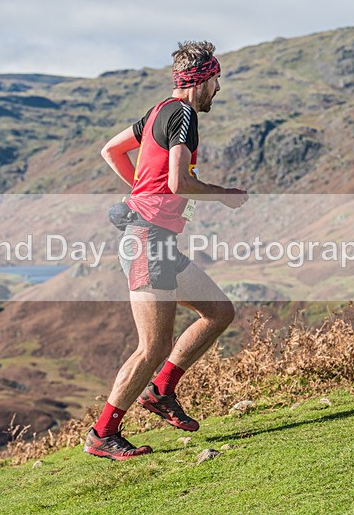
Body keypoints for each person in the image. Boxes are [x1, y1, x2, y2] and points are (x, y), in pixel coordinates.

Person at [84, 40, 248, 460]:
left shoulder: (159, 110)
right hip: (146, 242)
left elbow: (111, 150)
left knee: (218, 311)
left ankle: (161, 391)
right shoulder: (185, 115)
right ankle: (103, 433)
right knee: (151, 347)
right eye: (216, 79)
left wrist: (140, 191)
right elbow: (178, 183)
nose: (218, 88)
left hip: (157, 240)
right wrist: (223, 193)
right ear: (201, 80)